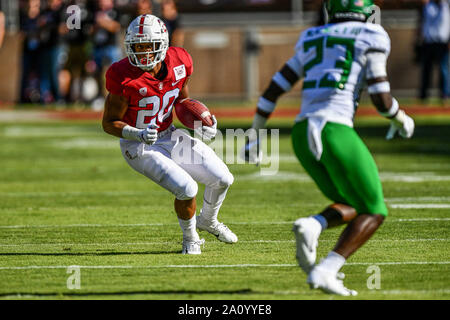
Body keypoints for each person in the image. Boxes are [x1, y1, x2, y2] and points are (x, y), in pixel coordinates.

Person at [243, 0, 415, 295]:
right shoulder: (371, 35)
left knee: (352, 203)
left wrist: (255, 133)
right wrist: (401, 119)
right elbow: (380, 98)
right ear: (366, 10)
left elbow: (275, 88)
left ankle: (314, 224)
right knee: (374, 210)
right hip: (335, 130)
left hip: (301, 133)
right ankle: (326, 269)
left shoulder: (312, 36)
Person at [102, 14, 237, 254]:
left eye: (148, 46)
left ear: (162, 45)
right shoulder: (122, 75)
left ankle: (208, 220)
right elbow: (109, 123)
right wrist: (138, 133)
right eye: (137, 47)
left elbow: (182, 102)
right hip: (138, 146)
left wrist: (202, 121)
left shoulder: (180, 61)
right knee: (187, 188)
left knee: (223, 178)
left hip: (169, 134)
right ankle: (190, 237)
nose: (143, 53)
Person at [417, 0, 450, 103]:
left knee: (443, 70)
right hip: (428, 42)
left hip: (442, 43)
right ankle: (423, 95)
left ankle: (445, 94)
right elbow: (421, 22)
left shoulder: (447, 5)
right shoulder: (427, 5)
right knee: (426, 70)